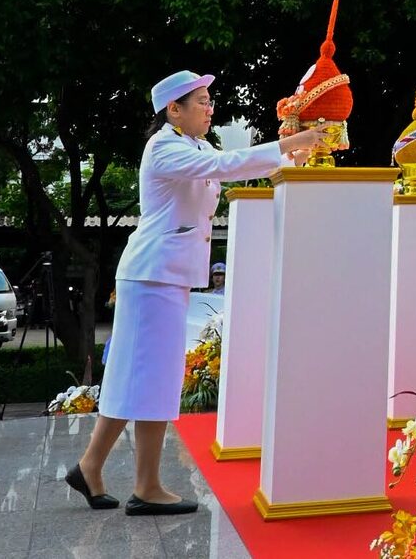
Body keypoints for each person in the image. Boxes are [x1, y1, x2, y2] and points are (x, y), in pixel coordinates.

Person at [67, 70, 325, 515]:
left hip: (162, 276)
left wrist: (293, 159)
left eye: (209, 100)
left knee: (137, 376)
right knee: (152, 378)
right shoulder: (164, 146)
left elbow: (230, 166)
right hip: (154, 276)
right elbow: (223, 167)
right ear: (174, 110)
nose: (210, 108)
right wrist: (286, 144)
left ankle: (92, 467)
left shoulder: (195, 146)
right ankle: (143, 485)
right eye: (202, 101)